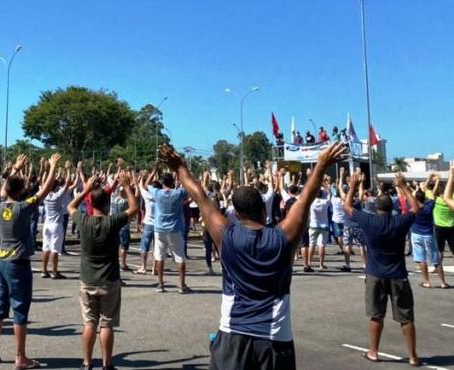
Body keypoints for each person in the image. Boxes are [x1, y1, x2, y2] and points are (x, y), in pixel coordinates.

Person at [157, 142, 346, 370]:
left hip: (232, 336)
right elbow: (305, 198)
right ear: (264, 211)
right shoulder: (283, 238)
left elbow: (201, 199)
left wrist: (179, 167)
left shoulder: (226, 236)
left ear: (236, 214)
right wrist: (321, 165)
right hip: (275, 339)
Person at [0, 153, 59, 369]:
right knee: (20, 309)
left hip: (0, 261)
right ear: (20, 192)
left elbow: (3, 190)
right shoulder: (23, 207)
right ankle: (20, 356)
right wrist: (53, 167)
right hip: (18, 262)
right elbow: (44, 190)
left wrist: (15, 169)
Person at [343, 172, 420, 367]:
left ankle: (374, 351)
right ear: (391, 207)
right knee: (406, 317)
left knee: (376, 315)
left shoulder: (369, 221)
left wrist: (352, 185)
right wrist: (404, 186)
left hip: (375, 274)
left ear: (376, 208)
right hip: (398, 274)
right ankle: (412, 356)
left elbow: (347, 207)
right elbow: (415, 208)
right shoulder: (399, 222)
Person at [68, 171, 138, 370]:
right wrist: (125, 185)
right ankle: (107, 364)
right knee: (106, 324)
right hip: (109, 280)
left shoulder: (84, 221)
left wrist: (86, 189)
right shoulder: (112, 222)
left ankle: (87, 362)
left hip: (88, 279)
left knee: (89, 323)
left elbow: (71, 206)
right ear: (107, 205)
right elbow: (134, 208)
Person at [149, 172, 190, 294]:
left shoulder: (157, 193)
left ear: (162, 183)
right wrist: (180, 177)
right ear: (172, 182)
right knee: (179, 257)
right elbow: (188, 187)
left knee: (159, 256)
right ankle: (181, 285)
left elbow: (146, 184)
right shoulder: (178, 193)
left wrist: (154, 171)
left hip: (160, 229)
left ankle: (160, 284)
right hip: (175, 229)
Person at [410, 189, 448, 288]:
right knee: (436, 259)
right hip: (428, 234)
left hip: (416, 234)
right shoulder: (429, 206)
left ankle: (426, 281)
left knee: (421, 259)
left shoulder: (414, 208)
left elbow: (409, 196)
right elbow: (433, 195)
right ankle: (443, 282)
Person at [41, 166, 73, 279]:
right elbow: (67, 183)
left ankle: (44, 270)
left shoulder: (44, 195)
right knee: (55, 249)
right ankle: (54, 271)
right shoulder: (57, 196)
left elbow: (43, 181)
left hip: (47, 224)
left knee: (46, 248)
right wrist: (69, 170)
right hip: (56, 224)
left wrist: (48, 170)